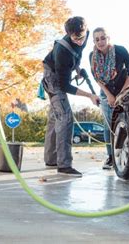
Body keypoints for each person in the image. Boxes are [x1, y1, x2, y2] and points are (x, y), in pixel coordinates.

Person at [42, 16, 100, 177]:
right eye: (75, 38)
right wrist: (89, 95)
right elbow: (64, 86)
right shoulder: (62, 52)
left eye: (81, 37)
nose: (80, 41)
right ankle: (64, 165)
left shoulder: (85, 34)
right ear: (68, 34)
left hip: (63, 70)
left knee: (55, 116)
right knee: (65, 117)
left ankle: (51, 159)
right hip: (53, 77)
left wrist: (77, 69)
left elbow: (78, 53)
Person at [89, 27, 129, 169]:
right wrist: (108, 95)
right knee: (108, 125)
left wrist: (122, 93)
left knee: (126, 122)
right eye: (97, 39)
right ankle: (110, 157)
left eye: (103, 38)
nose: (100, 42)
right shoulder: (92, 55)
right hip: (106, 92)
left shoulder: (120, 50)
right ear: (94, 41)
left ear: (108, 38)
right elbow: (96, 77)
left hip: (124, 89)